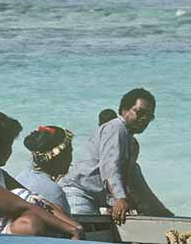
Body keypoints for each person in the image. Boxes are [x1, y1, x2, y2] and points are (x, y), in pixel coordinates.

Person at [0, 110, 82, 238]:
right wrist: (71, 230)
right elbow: (22, 207)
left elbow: (35, 200)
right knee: (31, 223)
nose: (10, 150)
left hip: (0, 233)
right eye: (8, 145)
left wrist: (75, 226)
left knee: (51, 210)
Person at [61, 88, 173, 223]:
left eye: (149, 116)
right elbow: (110, 167)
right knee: (85, 233)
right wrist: (120, 198)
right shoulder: (116, 128)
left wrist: (164, 214)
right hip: (79, 193)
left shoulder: (131, 141)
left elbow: (138, 185)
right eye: (140, 113)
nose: (144, 119)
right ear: (124, 110)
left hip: (94, 199)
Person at [15, 125, 74, 214]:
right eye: (70, 152)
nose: (71, 158)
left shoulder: (20, 177)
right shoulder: (54, 192)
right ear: (60, 157)